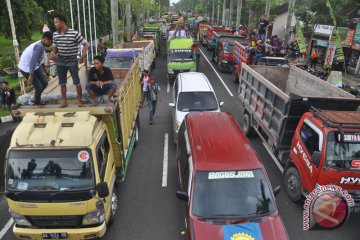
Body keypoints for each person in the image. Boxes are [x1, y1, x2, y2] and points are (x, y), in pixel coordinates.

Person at [50, 12, 88, 107]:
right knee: (62, 83)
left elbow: (85, 44)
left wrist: (82, 56)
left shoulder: (74, 33)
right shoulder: (55, 35)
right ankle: (64, 101)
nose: (55, 24)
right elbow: (55, 49)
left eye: (56, 22)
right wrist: (53, 54)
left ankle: (79, 100)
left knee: (76, 81)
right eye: (54, 22)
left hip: (72, 61)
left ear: (62, 22)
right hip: (60, 61)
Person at [18, 31, 53, 106]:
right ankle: (37, 103)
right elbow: (33, 61)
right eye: (50, 42)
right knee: (39, 87)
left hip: (34, 67)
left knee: (45, 82)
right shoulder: (39, 47)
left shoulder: (41, 45)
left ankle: (35, 98)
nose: (51, 44)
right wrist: (31, 76)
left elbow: (38, 61)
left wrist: (42, 72)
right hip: (26, 68)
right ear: (46, 39)